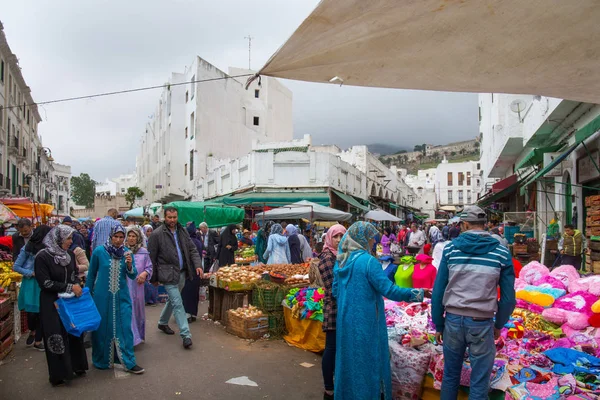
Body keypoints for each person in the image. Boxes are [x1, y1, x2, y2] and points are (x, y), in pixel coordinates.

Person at [333, 222, 427, 400]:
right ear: (362, 239)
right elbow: (390, 290)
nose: (373, 243)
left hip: (346, 320)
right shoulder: (369, 262)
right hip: (367, 320)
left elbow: (335, 291)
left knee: (349, 359)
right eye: (370, 239)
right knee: (368, 360)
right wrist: (418, 293)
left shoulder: (341, 261)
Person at [432, 206, 516, 400]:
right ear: (484, 225)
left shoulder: (450, 249)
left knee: (450, 375)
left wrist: (438, 323)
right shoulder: (501, 252)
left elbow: (438, 290)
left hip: (452, 321)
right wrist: (499, 324)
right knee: (479, 380)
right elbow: (508, 297)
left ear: (464, 225)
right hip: (482, 322)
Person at [34, 225, 88, 386]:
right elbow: (45, 283)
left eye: (71, 238)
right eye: (68, 239)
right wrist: (70, 287)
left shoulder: (70, 254)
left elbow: (74, 276)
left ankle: (77, 366)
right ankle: (59, 374)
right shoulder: (42, 257)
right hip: (51, 303)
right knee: (55, 335)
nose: (71, 242)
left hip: (70, 301)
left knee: (74, 332)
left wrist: (78, 285)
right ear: (57, 239)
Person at [87, 225, 144, 374]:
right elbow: (91, 275)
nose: (118, 240)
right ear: (110, 236)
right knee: (101, 329)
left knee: (125, 328)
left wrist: (130, 264)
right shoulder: (99, 252)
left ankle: (129, 361)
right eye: (115, 237)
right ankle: (102, 360)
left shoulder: (126, 253)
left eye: (121, 237)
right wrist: (87, 295)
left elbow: (133, 275)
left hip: (121, 297)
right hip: (101, 297)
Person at [148, 207, 203, 349]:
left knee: (173, 300)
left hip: (182, 273)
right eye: (169, 217)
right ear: (164, 218)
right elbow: (151, 257)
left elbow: (192, 249)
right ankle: (186, 335)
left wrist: (198, 265)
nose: (172, 220)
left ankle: (162, 322)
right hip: (167, 275)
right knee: (178, 303)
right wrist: (153, 278)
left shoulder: (182, 231)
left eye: (174, 217)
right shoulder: (157, 234)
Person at [317, 224, 346, 400]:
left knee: (337, 347)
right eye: (335, 236)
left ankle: (337, 382)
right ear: (329, 238)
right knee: (331, 347)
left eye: (342, 236)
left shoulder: (342, 256)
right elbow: (333, 287)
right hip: (334, 307)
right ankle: (329, 388)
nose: (338, 240)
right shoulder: (328, 257)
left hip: (342, 305)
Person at [13, 225, 52, 351]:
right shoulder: (27, 248)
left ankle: (38, 341)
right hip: (31, 283)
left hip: (43, 283)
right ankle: (33, 331)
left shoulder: (49, 249)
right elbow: (16, 267)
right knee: (32, 313)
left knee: (42, 312)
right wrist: (31, 272)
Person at [125, 226, 153, 345]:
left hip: (139, 286)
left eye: (134, 236)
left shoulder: (143, 252)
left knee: (138, 310)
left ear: (138, 238)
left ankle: (138, 337)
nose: (131, 238)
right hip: (126, 285)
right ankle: (130, 338)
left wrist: (144, 273)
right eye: (129, 236)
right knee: (127, 310)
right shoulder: (122, 251)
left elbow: (149, 267)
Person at [182, 222, 204, 322]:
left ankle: (186, 314)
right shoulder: (198, 242)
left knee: (186, 293)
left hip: (187, 271)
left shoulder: (186, 242)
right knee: (194, 293)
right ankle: (193, 314)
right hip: (197, 271)